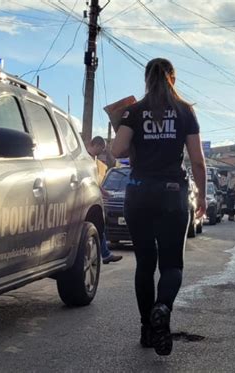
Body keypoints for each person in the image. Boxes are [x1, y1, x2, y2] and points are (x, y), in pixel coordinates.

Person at [112, 58, 206, 356]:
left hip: (139, 194)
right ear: (172, 79)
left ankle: (146, 329)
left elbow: (118, 150)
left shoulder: (134, 110)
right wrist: (201, 195)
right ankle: (162, 308)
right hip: (172, 193)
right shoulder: (184, 111)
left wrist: (121, 121)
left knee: (145, 264)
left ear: (146, 80)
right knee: (172, 265)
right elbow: (197, 159)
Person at [87, 136, 123, 264]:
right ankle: (103, 254)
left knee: (98, 226)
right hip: (85, 200)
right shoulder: (85, 159)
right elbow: (90, 180)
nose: (101, 152)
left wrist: (102, 192)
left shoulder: (92, 159)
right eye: (101, 149)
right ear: (95, 145)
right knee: (95, 226)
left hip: (91, 198)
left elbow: (95, 181)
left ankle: (105, 253)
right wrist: (102, 192)